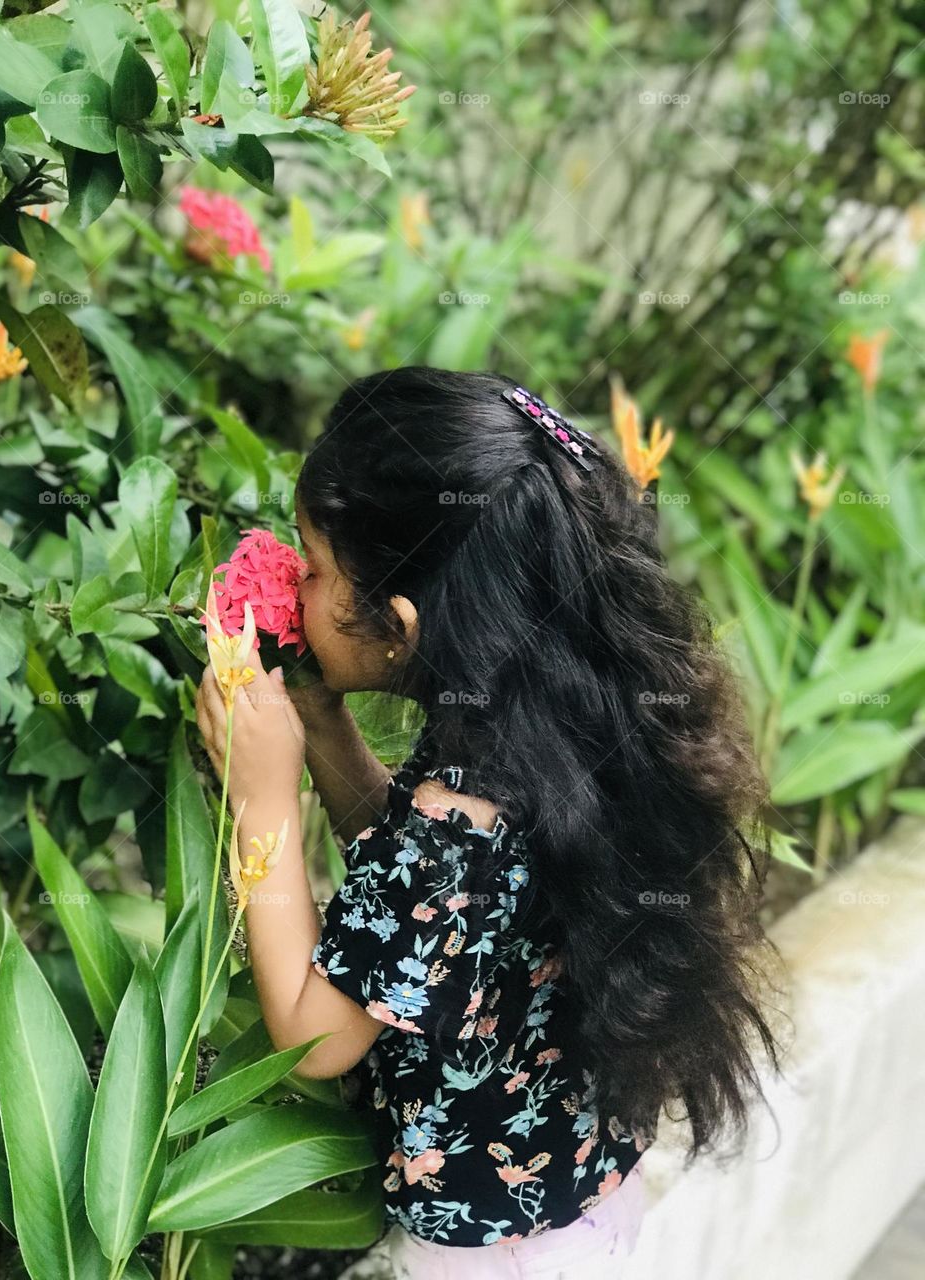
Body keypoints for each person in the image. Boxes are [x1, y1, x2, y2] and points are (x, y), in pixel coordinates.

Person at [195, 366, 785, 1279]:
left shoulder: (458, 818)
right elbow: (423, 909)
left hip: (487, 1254)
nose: (296, 583)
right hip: (573, 1203)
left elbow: (317, 1037)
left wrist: (260, 803)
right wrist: (318, 724)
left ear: (397, 624)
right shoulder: (537, 731)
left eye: (312, 567)